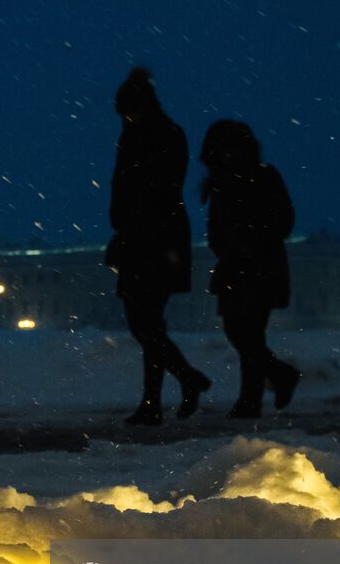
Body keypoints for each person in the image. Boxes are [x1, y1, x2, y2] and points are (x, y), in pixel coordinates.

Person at [106, 68, 210, 425]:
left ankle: (167, 392)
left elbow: (144, 191)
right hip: (156, 238)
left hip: (149, 240)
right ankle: (169, 390)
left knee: (145, 323)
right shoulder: (161, 133)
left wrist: (127, 231)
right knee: (148, 323)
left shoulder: (146, 136)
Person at [199, 120, 302, 418]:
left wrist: (252, 238)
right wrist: (224, 247)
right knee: (239, 331)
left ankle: (250, 400)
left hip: (259, 266)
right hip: (235, 267)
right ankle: (277, 376)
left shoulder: (264, 176)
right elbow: (216, 226)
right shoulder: (222, 182)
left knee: (250, 332)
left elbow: (284, 219)